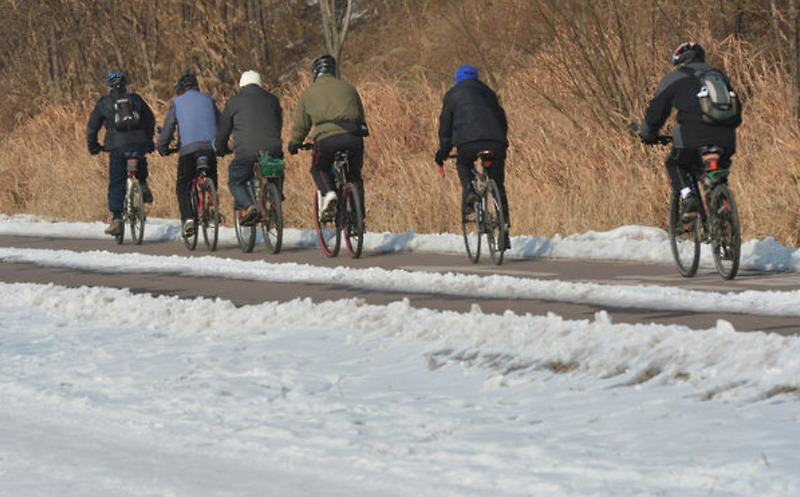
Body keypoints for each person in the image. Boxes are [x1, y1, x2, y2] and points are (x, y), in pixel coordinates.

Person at [639, 41, 742, 221]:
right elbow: (737, 110)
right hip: (726, 139)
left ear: (679, 61)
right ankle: (722, 207)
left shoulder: (674, 78)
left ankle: (688, 197)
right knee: (717, 175)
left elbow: (656, 112)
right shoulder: (719, 77)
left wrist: (648, 135)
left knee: (675, 163)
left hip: (692, 139)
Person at [435, 64, 511, 249]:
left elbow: (445, 126)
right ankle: (505, 229)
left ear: (458, 78)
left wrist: (443, 151)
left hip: (469, 144)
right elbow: (502, 118)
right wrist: (502, 140)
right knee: (498, 185)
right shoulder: (489, 92)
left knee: (463, 163)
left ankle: (469, 189)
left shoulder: (452, 94)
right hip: (496, 142)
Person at [287, 54, 368, 217]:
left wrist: (295, 143)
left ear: (315, 72)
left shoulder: (309, 93)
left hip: (327, 140)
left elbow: (302, 124)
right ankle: (359, 215)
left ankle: (329, 192)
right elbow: (361, 116)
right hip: (353, 138)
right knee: (354, 175)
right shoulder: (348, 88)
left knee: (319, 168)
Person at [86, 71, 156, 235]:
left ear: (109, 87)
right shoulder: (136, 99)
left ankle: (117, 218)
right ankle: (143, 184)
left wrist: (93, 146)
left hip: (117, 147)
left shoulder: (104, 103)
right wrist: (149, 140)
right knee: (139, 158)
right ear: (125, 85)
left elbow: (92, 128)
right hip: (139, 143)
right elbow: (150, 119)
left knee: (117, 182)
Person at [214, 70, 283, 225]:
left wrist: (221, 148)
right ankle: (276, 198)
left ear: (241, 85)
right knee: (276, 169)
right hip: (272, 149)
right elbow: (278, 124)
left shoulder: (233, 102)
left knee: (235, 181)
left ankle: (249, 206)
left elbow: (223, 131)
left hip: (246, 152)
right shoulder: (273, 99)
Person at [157, 72, 220, 237]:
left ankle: (188, 220)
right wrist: (222, 145)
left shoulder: (177, 103)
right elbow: (220, 122)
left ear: (180, 89)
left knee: (182, 187)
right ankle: (212, 204)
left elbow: (169, 128)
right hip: (210, 148)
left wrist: (162, 147)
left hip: (188, 151)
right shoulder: (208, 99)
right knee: (211, 176)